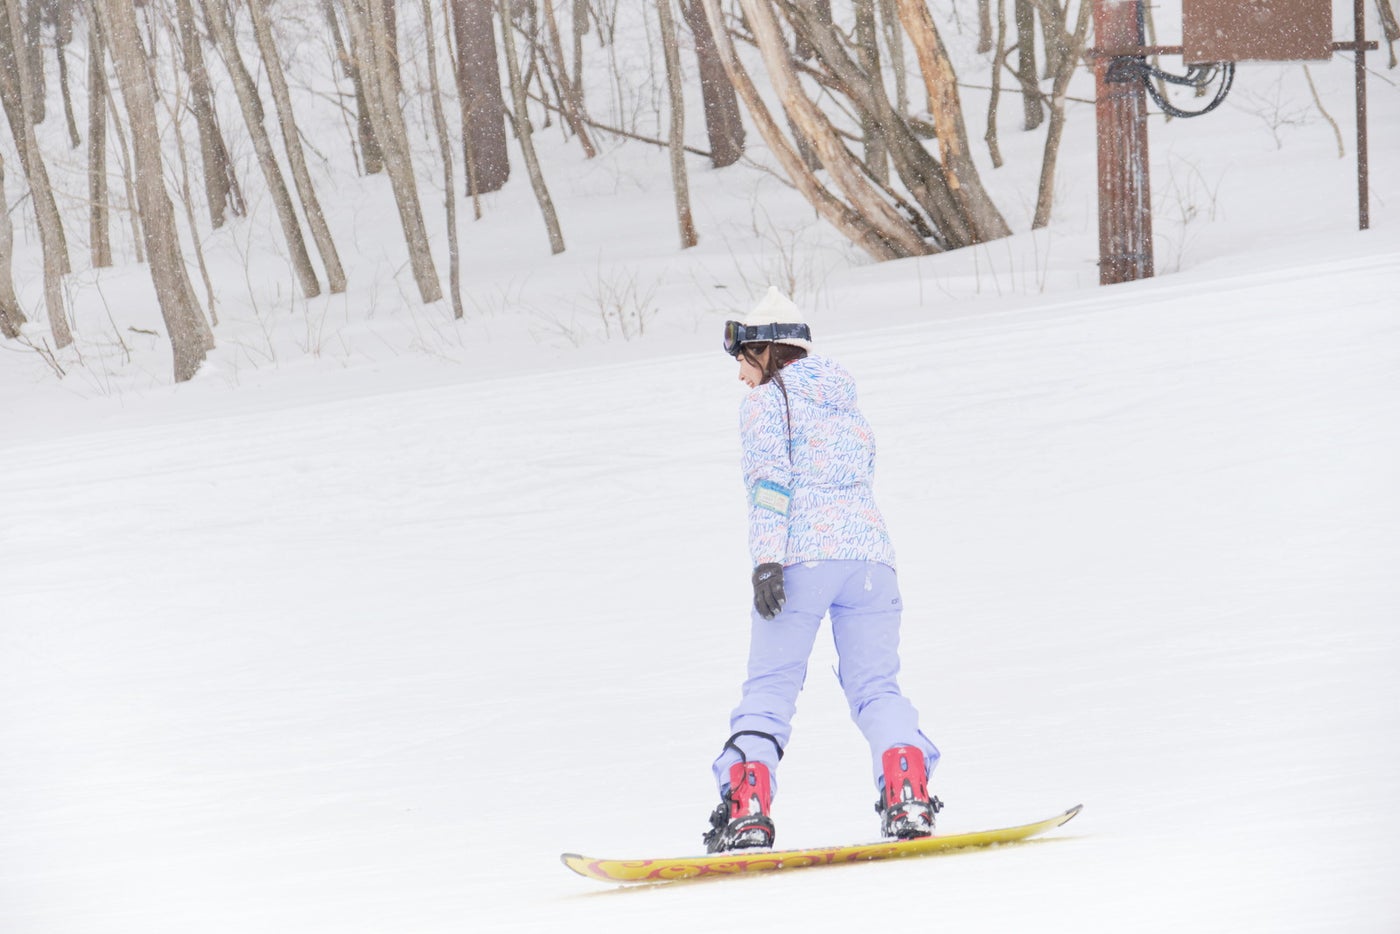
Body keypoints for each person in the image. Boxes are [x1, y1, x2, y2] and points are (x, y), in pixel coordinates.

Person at [703, 287, 941, 854]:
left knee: (770, 688)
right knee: (877, 688)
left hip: (800, 561)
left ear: (767, 350)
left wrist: (767, 561)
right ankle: (907, 793)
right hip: (871, 564)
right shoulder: (845, 403)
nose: (740, 375)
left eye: (743, 358)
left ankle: (747, 810)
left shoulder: (766, 402)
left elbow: (770, 486)